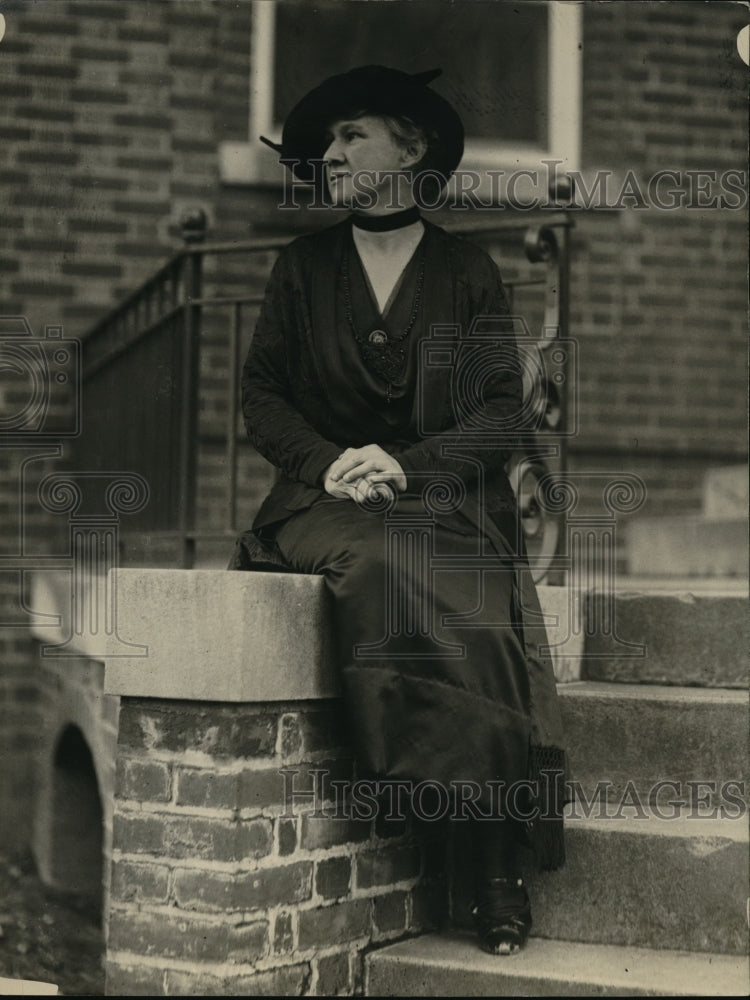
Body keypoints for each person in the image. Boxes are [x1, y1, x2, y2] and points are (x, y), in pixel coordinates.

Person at [234, 65, 566, 956]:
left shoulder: (466, 272)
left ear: (410, 149)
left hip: (443, 498)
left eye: (353, 135)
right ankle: (427, 810)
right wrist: (331, 463)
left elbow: (499, 411)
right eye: (328, 142)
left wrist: (407, 466)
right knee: (381, 565)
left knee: (479, 614)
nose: (332, 154)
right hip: (325, 502)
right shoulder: (301, 269)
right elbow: (262, 398)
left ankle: (493, 862)